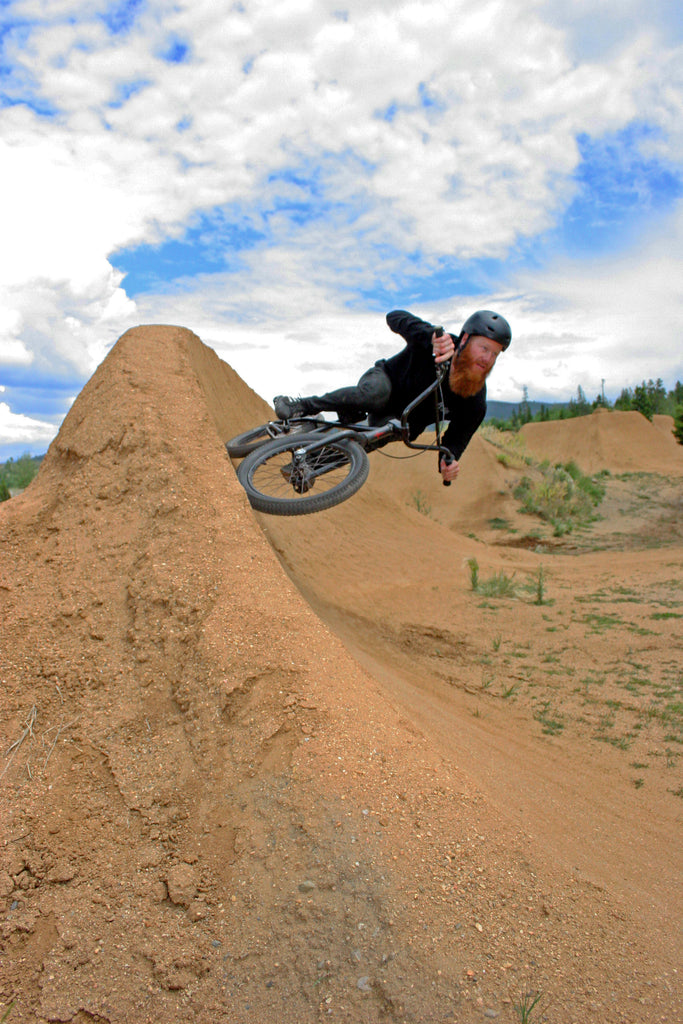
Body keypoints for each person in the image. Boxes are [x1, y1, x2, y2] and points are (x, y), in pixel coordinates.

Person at [274, 308, 511, 483]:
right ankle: (300, 406)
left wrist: (449, 462)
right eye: (484, 348)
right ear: (466, 339)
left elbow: (456, 439)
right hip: (385, 380)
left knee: (365, 441)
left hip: (399, 421)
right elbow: (394, 317)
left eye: (494, 354)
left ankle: (307, 467)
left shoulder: (475, 402)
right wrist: (428, 336)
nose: (487, 358)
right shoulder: (439, 343)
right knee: (375, 395)